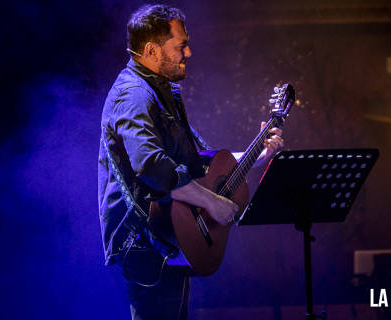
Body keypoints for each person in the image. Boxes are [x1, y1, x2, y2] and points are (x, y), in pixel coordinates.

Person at [97, 4, 284, 319]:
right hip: (145, 244)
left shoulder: (161, 90)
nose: (189, 52)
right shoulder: (134, 96)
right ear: (152, 50)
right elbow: (152, 166)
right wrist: (210, 203)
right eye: (180, 45)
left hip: (168, 237)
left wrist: (258, 155)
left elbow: (198, 168)